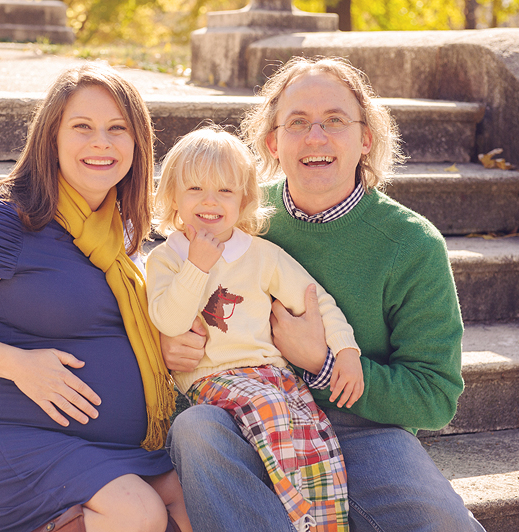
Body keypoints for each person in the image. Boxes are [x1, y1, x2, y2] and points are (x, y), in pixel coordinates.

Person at [162, 57, 485, 531]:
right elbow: (167, 286)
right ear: (273, 142)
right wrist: (167, 347)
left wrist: (325, 365)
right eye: (297, 123)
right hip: (245, 415)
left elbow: (434, 397)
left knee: (445, 524)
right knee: (195, 430)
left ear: (365, 138)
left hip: (365, 432)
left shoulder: (412, 245)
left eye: (335, 121)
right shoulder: (231, 210)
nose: (316, 137)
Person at [0, 63, 191, 532]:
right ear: (51, 139)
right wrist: (21, 365)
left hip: (96, 447)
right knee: (137, 514)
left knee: (193, 497)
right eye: (82, 128)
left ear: (137, 144)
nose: (102, 142)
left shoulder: (119, 235)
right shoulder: (5, 221)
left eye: (118, 128)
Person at [145, 126, 363, 531]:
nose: (210, 202)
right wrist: (198, 264)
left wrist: (346, 351)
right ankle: (296, 514)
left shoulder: (261, 255)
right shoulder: (168, 259)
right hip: (214, 379)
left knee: (317, 437)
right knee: (270, 409)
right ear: (173, 196)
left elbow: (315, 300)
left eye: (225, 191)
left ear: (244, 198)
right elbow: (169, 321)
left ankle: (323, 521)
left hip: (275, 378)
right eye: (195, 189)